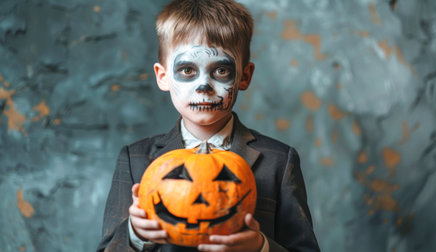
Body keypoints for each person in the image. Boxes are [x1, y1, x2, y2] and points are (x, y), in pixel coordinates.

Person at [97, 0, 320, 251]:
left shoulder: (279, 160)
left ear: (244, 76)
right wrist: (135, 234)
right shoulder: (135, 159)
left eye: (221, 71)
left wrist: (260, 247)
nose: (204, 86)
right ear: (163, 77)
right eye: (188, 70)